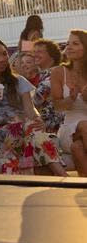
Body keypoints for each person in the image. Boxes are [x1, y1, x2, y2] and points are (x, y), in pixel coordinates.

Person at [0, 37, 65, 176]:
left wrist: (37, 119)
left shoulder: (17, 80)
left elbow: (30, 108)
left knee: (35, 131)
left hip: (19, 125)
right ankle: (61, 174)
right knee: (29, 131)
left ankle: (59, 174)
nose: (2, 59)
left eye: (4, 54)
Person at [50, 30, 87, 176]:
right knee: (84, 125)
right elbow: (57, 106)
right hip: (69, 126)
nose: (69, 47)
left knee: (77, 148)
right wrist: (71, 98)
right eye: (68, 43)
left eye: (75, 43)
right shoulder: (59, 72)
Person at [31, 39, 64, 134]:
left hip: (52, 127)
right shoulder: (46, 74)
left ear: (52, 56)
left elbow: (36, 101)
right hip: (49, 125)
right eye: (34, 52)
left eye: (40, 52)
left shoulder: (52, 75)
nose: (35, 55)